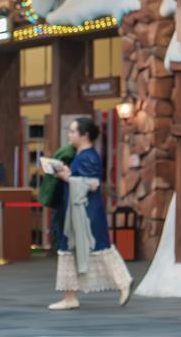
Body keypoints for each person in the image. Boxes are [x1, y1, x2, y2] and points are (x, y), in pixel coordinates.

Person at [49, 116, 132, 310]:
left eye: (72, 131)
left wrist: (65, 176)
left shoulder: (88, 156)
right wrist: (68, 174)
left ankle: (123, 281)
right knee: (72, 249)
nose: (69, 135)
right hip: (78, 210)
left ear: (84, 135)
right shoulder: (84, 155)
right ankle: (70, 297)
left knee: (99, 247)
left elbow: (91, 184)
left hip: (85, 212)